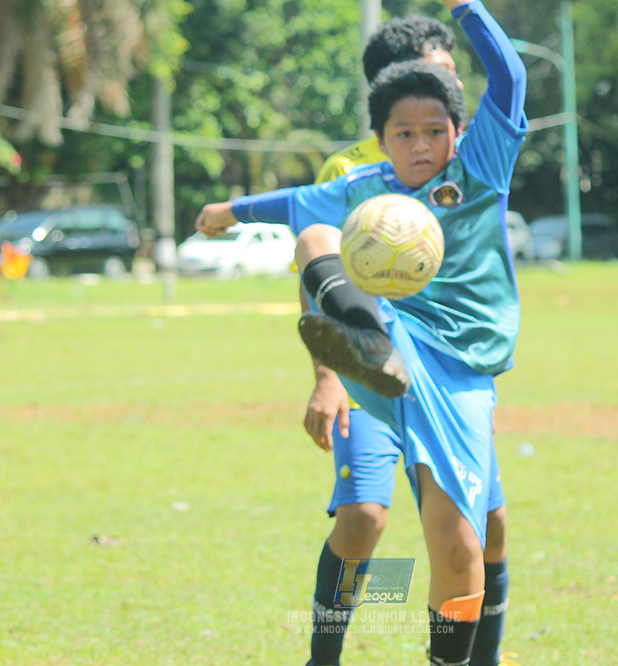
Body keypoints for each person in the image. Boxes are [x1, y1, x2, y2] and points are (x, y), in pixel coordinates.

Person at [196, 1, 526, 663]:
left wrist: (469, 9)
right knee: (365, 517)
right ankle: (362, 340)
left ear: (459, 129)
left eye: (439, 123)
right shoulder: (359, 180)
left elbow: (510, 80)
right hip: (383, 352)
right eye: (404, 131)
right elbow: (298, 211)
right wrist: (229, 211)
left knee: (466, 540)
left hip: (458, 370)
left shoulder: (480, 165)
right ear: (381, 134)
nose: (421, 140)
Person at [298, 14, 514, 666]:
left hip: (446, 382)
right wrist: (328, 377)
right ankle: (324, 657)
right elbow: (313, 271)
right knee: (365, 518)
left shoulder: (457, 154)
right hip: (374, 380)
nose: (452, 79)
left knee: (488, 531)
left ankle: (482, 657)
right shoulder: (351, 172)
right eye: (441, 66)